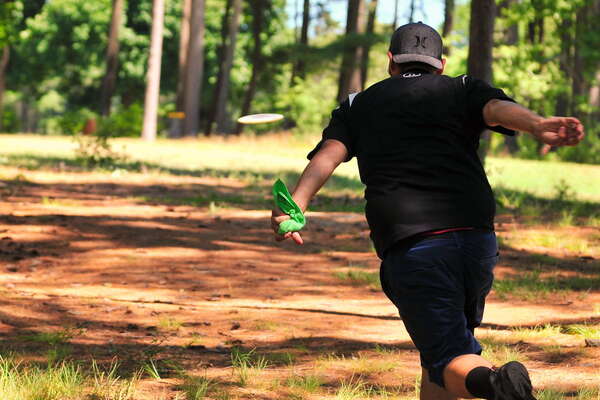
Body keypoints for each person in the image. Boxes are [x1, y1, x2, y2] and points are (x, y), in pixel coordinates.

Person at [271, 22, 584, 400]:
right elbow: (496, 109)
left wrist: (296, 205)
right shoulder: (462, 87)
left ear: (391, 61)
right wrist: (537, 124)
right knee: (442, 349)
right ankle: (485, 380)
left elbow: (328, 156)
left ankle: (495, 385)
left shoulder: (360, 104)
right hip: (476, 242)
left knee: (449, 354)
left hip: (414, 245)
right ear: (441, 64)